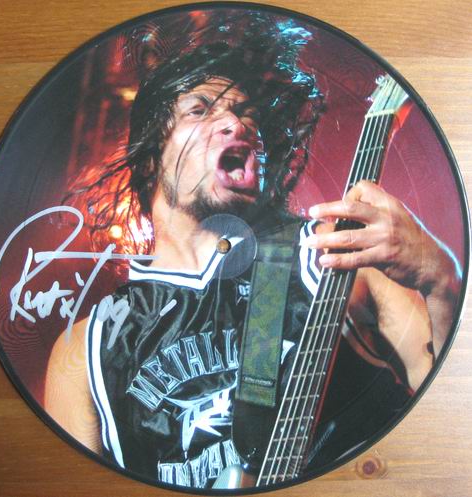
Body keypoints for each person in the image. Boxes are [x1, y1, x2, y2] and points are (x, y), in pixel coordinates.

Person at [44, 40, 461, 489]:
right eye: (199, 110)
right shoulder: (90, 345)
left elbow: (455, 412)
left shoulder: (330, 255)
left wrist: (440, 277)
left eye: (246, 114)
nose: (236, 124)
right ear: (149, 162)